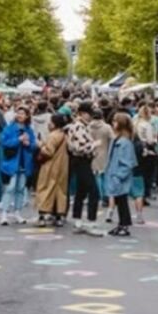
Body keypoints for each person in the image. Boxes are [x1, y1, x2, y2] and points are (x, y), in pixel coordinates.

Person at [67, 101, 105, 237]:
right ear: (82, 113)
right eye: (89, 114)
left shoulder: (82, 126)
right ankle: (91, 222)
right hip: (81, 160)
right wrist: (94, 145)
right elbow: (79, 147)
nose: (91, 117)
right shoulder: (78, 127)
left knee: (81, 191)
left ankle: (78, 220)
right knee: (93, 191)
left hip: (82, 161)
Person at [0, 106, 37, 225]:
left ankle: (17, 213)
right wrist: (18, 140)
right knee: (10, 188)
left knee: (21, 189)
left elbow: (33, 146)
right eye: (18, 113)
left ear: (27, 116)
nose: (20, 115)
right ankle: (4, 214)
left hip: (25, 163)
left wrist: (28, 143)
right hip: (12, 162)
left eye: (23, 113)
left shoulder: (29, 129)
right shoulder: (9, 128)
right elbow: (4, 142)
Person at [104, 112, 137, 237]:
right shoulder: (116, 140)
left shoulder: (125, 143)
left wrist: (118, 176)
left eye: (115, 121)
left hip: (119, 177)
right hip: (114, 174)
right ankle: (121, 224)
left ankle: (125, 224)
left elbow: (127, 163)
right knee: (119, 201)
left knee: (122, 201)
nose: (113, 123)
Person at [34, 113, 70, 227]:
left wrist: (40, 145)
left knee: (45, 188)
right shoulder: (65, 135)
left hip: (50, 166)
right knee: (60, 191)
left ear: (54, 124)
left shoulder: (52, 136)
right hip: (63, 166)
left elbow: (49, 151)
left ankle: (43, 214)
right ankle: (59, 215)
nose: (49, 124)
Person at [134, 105, 158, 203]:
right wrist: (155, 140)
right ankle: (144, 194)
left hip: (137, 148)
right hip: (147, 149)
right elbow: (150, 140)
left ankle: (138, 193)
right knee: (147, 173)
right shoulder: (147, 125)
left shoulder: (135, 123)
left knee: (139, 173)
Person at [89, 109, 114, 208]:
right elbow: (113, 138)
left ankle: (98, 194)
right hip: (104, 152)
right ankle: (105, 195)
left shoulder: (88, 126)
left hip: (92, 152)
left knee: (96, 175)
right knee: (104, 175)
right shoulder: (107, 127)